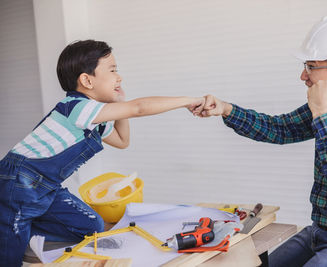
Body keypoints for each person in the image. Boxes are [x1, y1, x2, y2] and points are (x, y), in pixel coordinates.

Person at [197, 14, 327, 266]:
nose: (303, 77)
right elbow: (280, 129)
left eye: (311, 67)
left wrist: (322, 114)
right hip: (321, 232)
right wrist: (227, 109)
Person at [0, 39, 205, 266]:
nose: (120, 77)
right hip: (17, 182)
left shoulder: (98, 118)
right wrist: (190, 101)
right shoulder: (78, 108)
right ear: (87, 80)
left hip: (46, 186)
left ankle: (20, 230)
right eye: (112, 70)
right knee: (10, 257)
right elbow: (139, 108)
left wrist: (120, 102)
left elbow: (122, 141)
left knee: (91, 226)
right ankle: (12, 235)